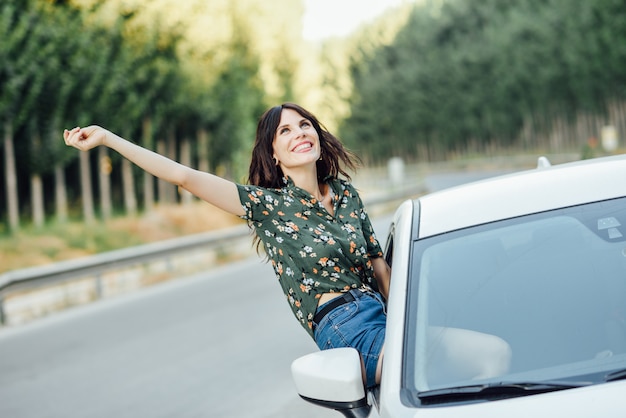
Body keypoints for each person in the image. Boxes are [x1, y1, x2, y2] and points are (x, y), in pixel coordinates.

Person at [64, 103, 511, 389]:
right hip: (345, 327)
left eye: (305, 124)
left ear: (317, 137)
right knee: (427, 380)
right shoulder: (268, 207)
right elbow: (183, 176)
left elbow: (380, 268)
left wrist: (411, 319)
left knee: (493, 353)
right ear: (273, 155)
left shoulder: (346, 194)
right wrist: (107, 139)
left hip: (386, 314)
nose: (300, 132)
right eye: (285, 131)